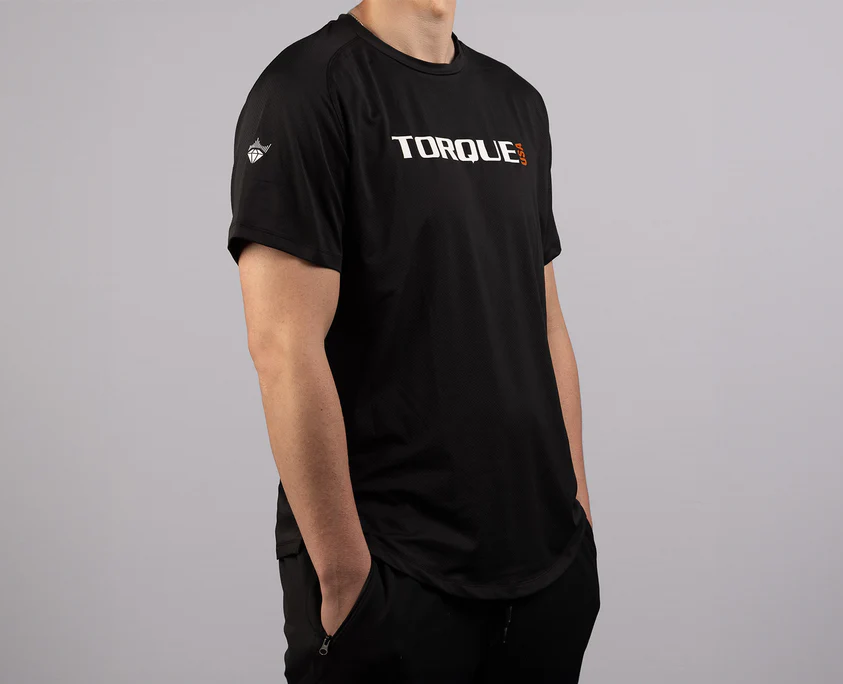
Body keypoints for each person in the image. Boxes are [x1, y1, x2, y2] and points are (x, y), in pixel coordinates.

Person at [227, 2, 599, 682]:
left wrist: (577, 515)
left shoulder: (515, 101)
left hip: (543, 570)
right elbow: (282, 346)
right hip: (394, 573)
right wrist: (346, 579)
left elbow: (545, 320)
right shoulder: (306, 89)